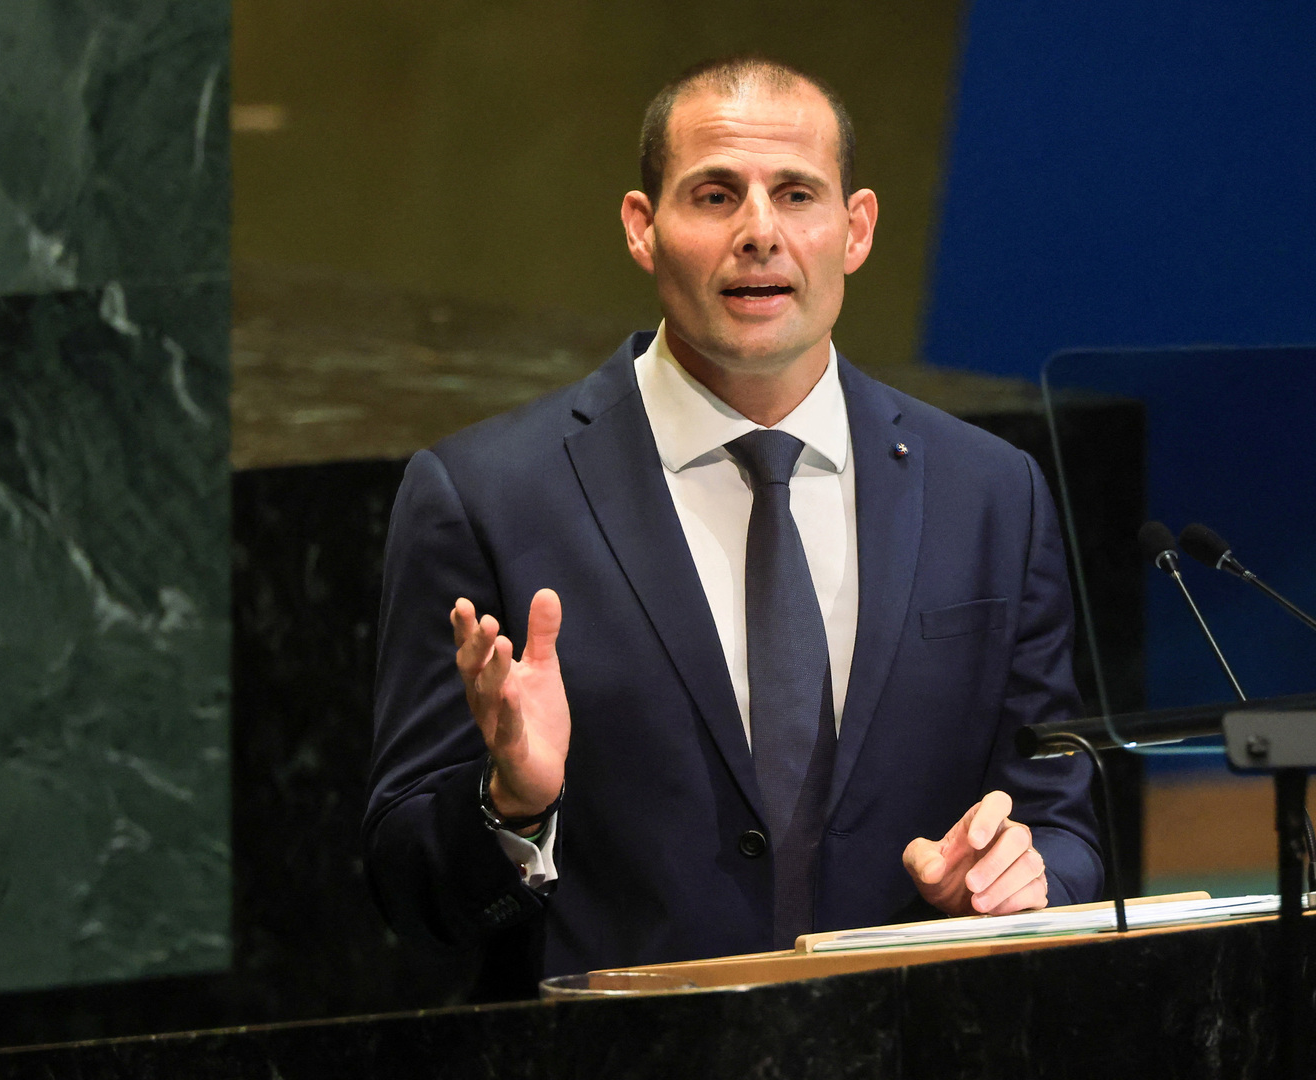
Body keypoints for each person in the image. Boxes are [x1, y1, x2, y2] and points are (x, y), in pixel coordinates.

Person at [364, 55, 1101, 984]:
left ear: (856, 229)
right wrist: (514, 805)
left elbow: (1062, 822)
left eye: (796, 194)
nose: (759, 232)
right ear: (642, 228)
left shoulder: (991, 492)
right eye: (715, 196)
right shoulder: (484, 496)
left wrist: (1022, 880)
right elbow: (408, 885)